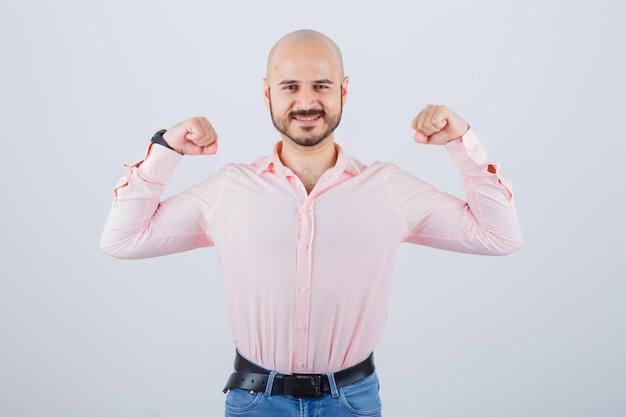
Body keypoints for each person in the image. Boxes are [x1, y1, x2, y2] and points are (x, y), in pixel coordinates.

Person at [100, 29, 522, 417]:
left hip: (351, 402)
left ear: (344, 91)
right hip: (255, 402)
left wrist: (462, 143)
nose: (306, 102)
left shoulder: (387, 188)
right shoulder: (230, 188)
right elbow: (123, 239)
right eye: (290, 86)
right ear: (267, 94)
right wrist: (165, 150)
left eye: (321, 85)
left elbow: (499, 235)